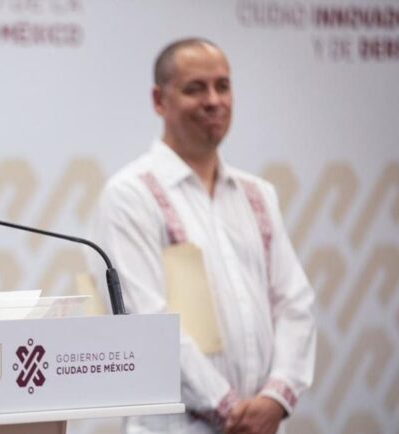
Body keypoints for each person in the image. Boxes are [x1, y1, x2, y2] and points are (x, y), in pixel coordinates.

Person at [90, 38, 315, 433]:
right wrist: (232, 411)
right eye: (195, 88)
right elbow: (146, 320)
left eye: (222, 86)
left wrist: (276, 398)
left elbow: (294, 304)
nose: (213, 100)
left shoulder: (256, 193)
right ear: (159, 101)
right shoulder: (131, 194)